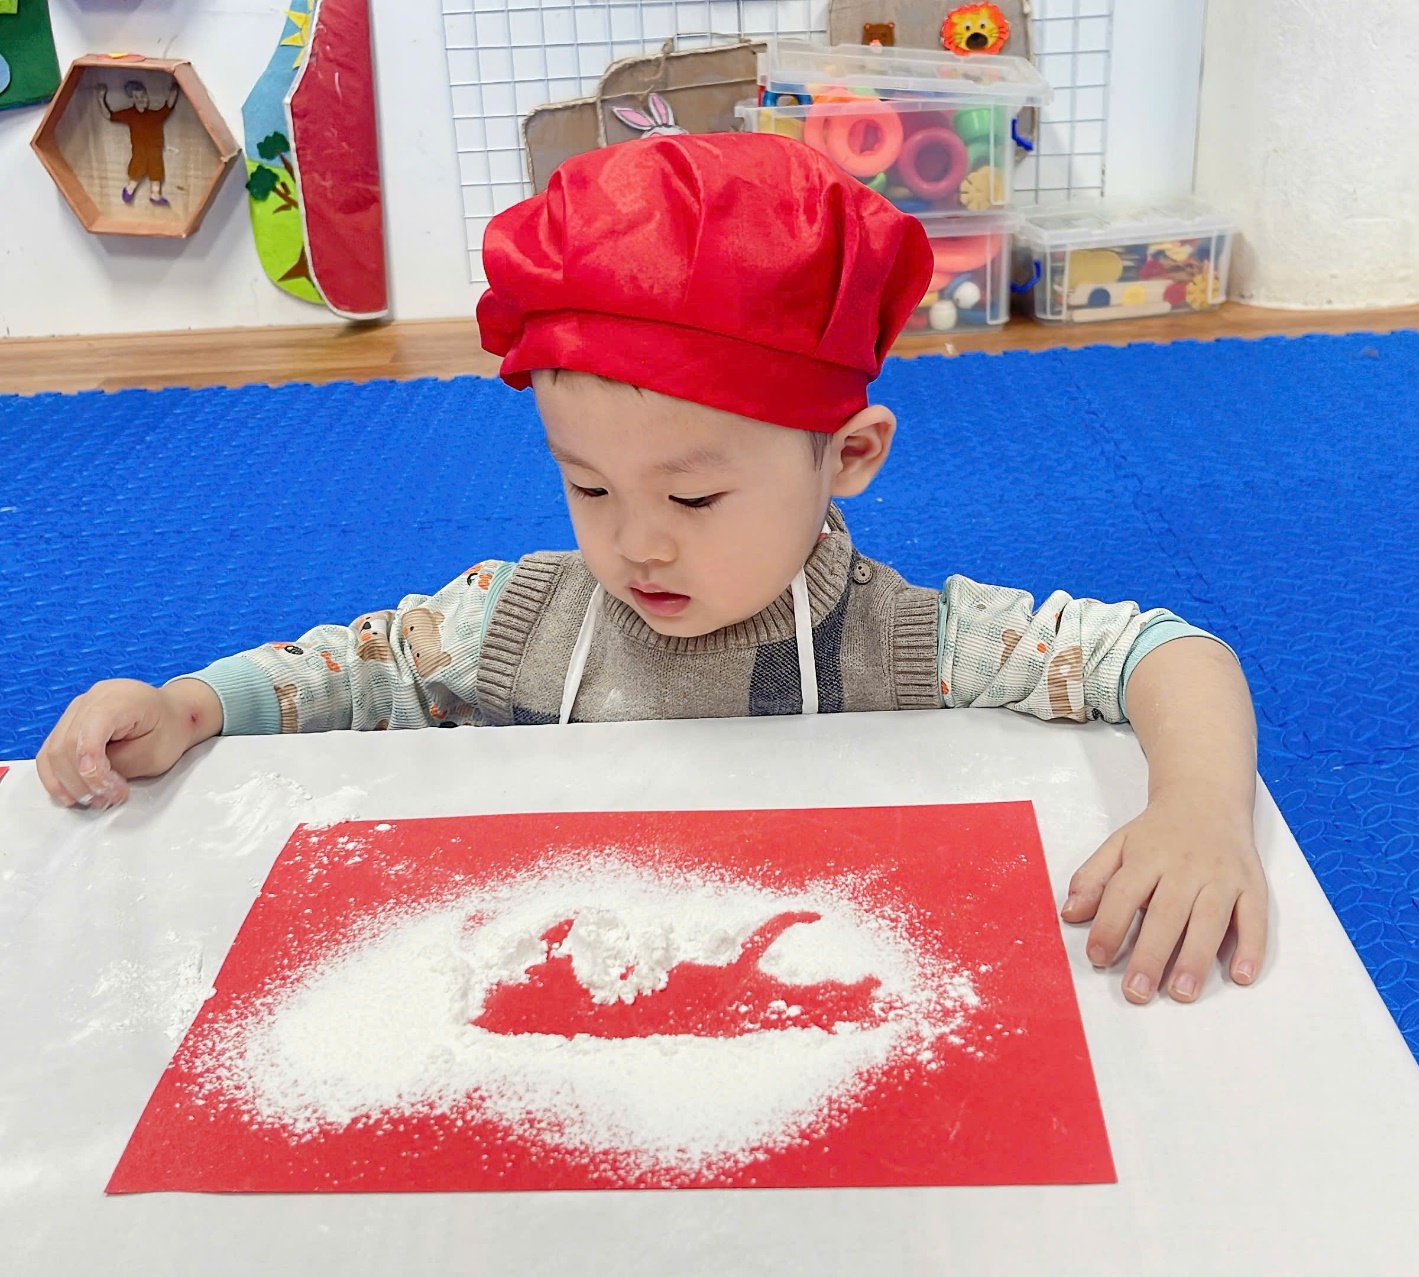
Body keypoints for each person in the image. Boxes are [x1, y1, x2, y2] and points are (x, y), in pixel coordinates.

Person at [36, 133, 1267, 1007]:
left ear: (848, 455)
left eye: (690, 494)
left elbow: (1162, 653)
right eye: (587, 486)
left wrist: (1200, 815)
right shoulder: (512, 623)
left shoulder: (905, 641)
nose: (637, 542)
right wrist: (189, 703)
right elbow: (345, 673)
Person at [98, 78, 180, 207]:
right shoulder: (130, 114)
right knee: (138, 170)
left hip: (155, 150)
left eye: (143, 95)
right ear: (132, 100)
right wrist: (101, 98)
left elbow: (168, 107)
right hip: (140, 150)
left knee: (156, 170)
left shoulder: (155, 116)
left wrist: (174, 90)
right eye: (137, 96)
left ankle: (155, 195)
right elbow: (109, 116)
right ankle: (129, 189)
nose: (142, 99)